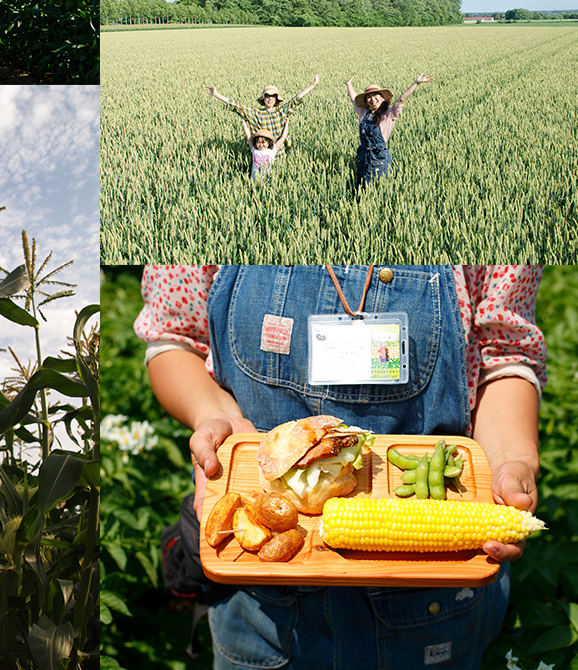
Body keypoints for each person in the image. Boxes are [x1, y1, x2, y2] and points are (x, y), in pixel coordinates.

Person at [135, 265, 545, 669]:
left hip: (433, 610)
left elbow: (506, 357)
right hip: (260, 609)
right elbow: (174, 341)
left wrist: (513, 459)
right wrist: (213, 413)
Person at [345, 75, 432, 186]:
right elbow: (354, 98)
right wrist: (349, 84)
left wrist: (416, 83)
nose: (372, 99)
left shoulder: (388, 114)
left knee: (379, 187)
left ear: (382, 98)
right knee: (362, 187)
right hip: (363, 157)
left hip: (379, 158)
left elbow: (401, 99)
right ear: (366, 102)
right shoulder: (363, 113)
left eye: (375, 95)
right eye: (369, 97)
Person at [206, 76, 320, 151]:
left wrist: (314, 84)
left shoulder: (282, 111)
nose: (270, 99)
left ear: (276, 100)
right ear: (264, 99)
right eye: (267, 97)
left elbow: (297, 98)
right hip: (261, 154)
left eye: (272, 97)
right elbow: (237, 106)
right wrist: (216, 94)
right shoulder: (256, 114)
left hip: (280, 153)